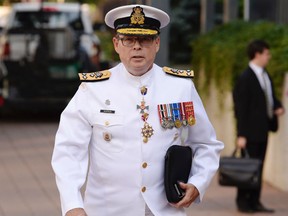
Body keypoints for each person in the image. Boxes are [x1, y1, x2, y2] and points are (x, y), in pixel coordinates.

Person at [51, 4, 224, 216]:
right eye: (128, 40)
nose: (137, 47)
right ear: (116, 44)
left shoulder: (180, 86)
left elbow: (206, 143)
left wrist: (198, 183)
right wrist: (72, 204)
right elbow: (68, 151)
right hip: (107, 210)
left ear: (157, 43)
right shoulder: (92, 90)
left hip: (163, 209)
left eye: (145, 40)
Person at [233, 39, 285, 213]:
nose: (268, 57)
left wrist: (277, 106)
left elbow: (269, 96)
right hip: (249, 132)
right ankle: (243, 202)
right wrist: (241, 134)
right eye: (266, 54)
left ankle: (255, 201)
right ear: (257, 54)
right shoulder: (246, 77)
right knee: (247, 168)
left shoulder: (264, 74)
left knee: (258, 167)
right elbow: (241, 108)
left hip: (263, 130)